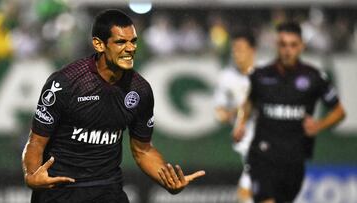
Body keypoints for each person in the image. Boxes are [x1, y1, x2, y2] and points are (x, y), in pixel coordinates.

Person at [21, 9, 205, 203]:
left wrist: (167, 180)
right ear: (99, 44)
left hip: (108, 189)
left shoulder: (140, 90)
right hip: (60, 189)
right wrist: (31, 175)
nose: (130, 48)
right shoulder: (65, 83)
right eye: (120, 42)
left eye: (133, 41)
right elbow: (36, 142)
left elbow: (143, 150)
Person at [233, 22, 346, 203]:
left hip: (294, 160)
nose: (288, 51)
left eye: (293, 45)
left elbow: (339, 111)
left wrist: (319, 125)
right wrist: (240, 124)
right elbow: (248, 103)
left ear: (301, 46)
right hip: (263, 156)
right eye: (283, 45)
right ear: (277, 46)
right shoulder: (261, 76)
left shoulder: (313, 77)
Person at [214, 30, 256, 203]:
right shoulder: (226, 77)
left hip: (265, 142)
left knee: (245, 193)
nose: (236, 53)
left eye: (241, 48)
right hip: (246, 143)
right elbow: (219, 113)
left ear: (253, 50)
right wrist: (238, 113)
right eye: (234, 49)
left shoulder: (263, 75)